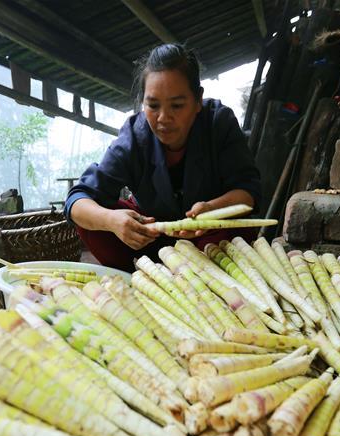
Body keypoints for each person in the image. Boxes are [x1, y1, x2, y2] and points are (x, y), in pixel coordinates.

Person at [65, 44, 262, 272]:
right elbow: (77, 200)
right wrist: (112, 221)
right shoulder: (134, 137)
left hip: (206, 240)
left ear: (198, 100)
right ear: (143, 103)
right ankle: (146, 273)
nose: (163, 118)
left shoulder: (218, 123)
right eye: (153, 105)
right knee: (93, 222)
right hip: (150, 243)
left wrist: (212, 210)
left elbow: (248, 193)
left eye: (177, 105)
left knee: (236, 232)